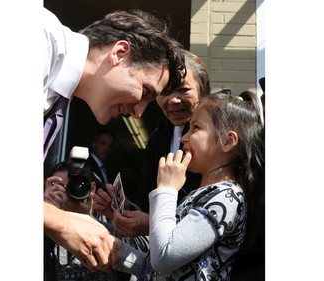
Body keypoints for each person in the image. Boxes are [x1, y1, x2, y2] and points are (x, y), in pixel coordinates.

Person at [42, 6, 187, 271]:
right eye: (145, 91)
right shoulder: (40, 40)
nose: (138, 112)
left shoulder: (57, 98)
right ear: (119, 53)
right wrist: (59, 221)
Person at [110, 90, 265, 281]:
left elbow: (164, 257)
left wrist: (166, 189)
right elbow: (164, 271)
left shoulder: (227, 198)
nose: (184, 137)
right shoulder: (205, 194)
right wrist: (119, 253)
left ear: (227, 141)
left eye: (195, 128)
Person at [93, 50, 211, 239]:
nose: (173, 100)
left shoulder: (215, 138)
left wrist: (149, 223)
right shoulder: (158, 137)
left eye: (183, 89)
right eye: (165, 91)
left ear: (202, 90)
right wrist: (126, 211)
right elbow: (146, 195)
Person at [44, 161, 115, 281]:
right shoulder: (46, 232)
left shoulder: (109, 224)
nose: (68, 194)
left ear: (91, 189)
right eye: (60, 187)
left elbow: (144, 256)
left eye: (76, 186)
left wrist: (118, 217)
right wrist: (46, 212)